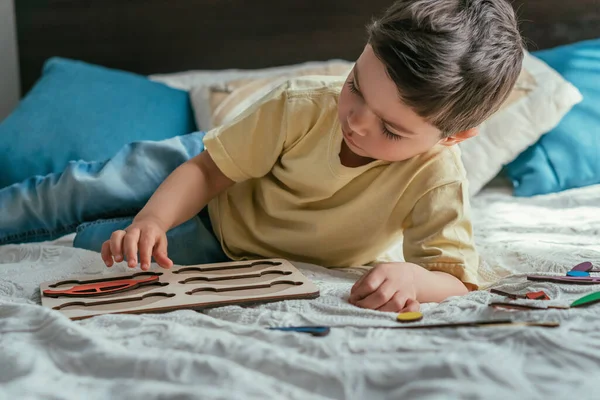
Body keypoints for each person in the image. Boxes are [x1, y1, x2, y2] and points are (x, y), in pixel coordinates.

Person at [0, 0, 523, 313]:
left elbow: (454, 276)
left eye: (389, 128)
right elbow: (206, 169)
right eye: (354, 87)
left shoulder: (438, 178)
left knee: (103, 246)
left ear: (453, 138)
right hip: (209, 169)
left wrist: (414, 280)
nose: (358, 120)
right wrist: (154, 216)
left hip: (233, 244)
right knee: (85, 189)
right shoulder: (301, 104)